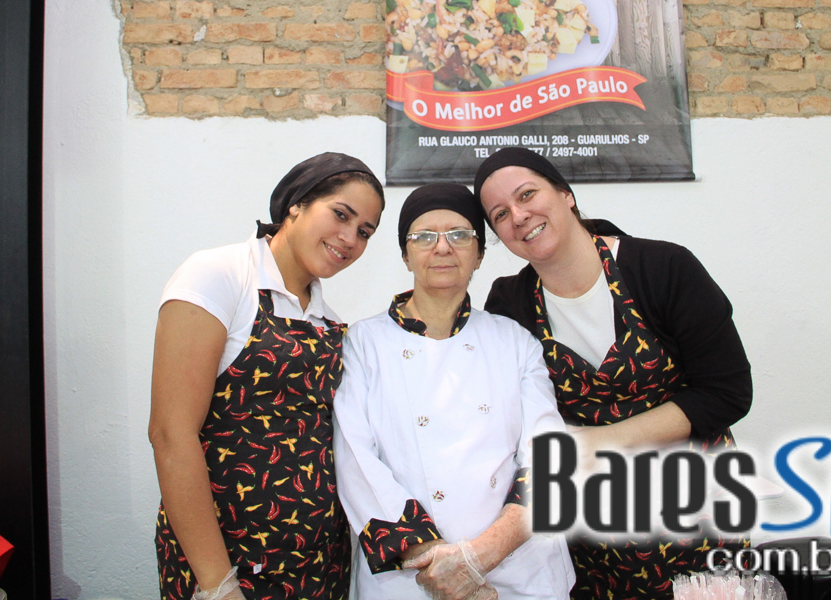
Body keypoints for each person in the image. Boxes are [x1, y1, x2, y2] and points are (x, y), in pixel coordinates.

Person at [473, 147, 753, 600]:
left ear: (565, 194)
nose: (519, 216)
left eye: (527, 195)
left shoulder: (663, 269)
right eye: (500, 214)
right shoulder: (510, 302)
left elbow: (727, 392)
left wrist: (598, 442)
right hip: (591, 541)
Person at [150, 152, 386, 600]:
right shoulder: (219, 277)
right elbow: (170, 434)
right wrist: (217, 585)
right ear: (296, 204)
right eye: (341, 214)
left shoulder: (329, 322)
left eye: (364, 231)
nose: (350, 238)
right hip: (228, 564)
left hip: (319, 566)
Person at [333, 183, 574, 600]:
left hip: (520, 572)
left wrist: (478, 557)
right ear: (405, 254)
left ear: (479, 254)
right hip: (412, 578)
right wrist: (438, 563)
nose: (442, 247)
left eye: (460, 235)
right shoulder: (362, 343)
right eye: (424, 236)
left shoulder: (515, 341)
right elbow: (356, 463)